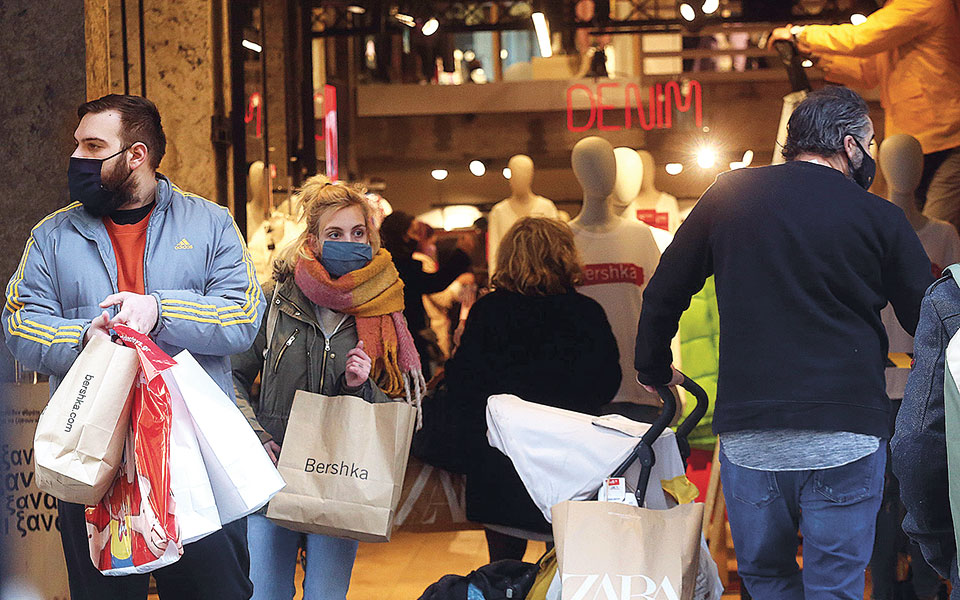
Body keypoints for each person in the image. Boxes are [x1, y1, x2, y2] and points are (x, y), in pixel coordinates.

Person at [634, 86, 933, 598]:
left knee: (767, 579)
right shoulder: (880, 217)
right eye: (869, 143)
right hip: (848, 432)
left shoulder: (728, 196)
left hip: (752, 434)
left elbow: (665, 289)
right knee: (835, 585)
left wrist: (653, 366)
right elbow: (927, 318)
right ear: (849, 145)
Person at [2, 94, 263, 599]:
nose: (76, 157)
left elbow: (243, 317)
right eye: (77, 145)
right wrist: (83, 336)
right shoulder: (51, 236)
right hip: (92, 459)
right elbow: (19, 325)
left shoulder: (210, 224)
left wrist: (159, 311)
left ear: (137, 155)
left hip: (193, 459)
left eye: (93, 146)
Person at [231, 176, 423, 600]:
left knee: (326, 594)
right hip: (274, 471)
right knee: (266, 593)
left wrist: (360, 386)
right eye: (334, 234)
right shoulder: (274, 301)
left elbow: (396, 405)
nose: (348, 243)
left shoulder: (384, 309)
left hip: (341, 474)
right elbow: (231, 376)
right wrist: (255, 435)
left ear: (371, 238)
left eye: (358, 233)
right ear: (313, 241)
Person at [444, 217, 620, 562]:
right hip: (569, 465)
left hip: (501, 464)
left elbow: (464, 387)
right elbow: (607, 384)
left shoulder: (489, 311)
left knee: (503, 570)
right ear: (565, 255)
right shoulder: (586, 313)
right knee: (567, 568)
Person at [770, 0, 960, 229]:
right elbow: (867, 71)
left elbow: (862, 37)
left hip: (948, 138)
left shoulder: (923, 3)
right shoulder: (900, 12)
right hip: (913, 142)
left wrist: (799, 34)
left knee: (935, 229)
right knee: (909, 228)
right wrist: (815, 55)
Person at [379, 212, 471, 378]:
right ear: (402, 235)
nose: (416, 239)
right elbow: (434, 283)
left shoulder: (386, 264)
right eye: (413, 232)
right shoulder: (398, 267)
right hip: (406, 336)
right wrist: (461, 254)